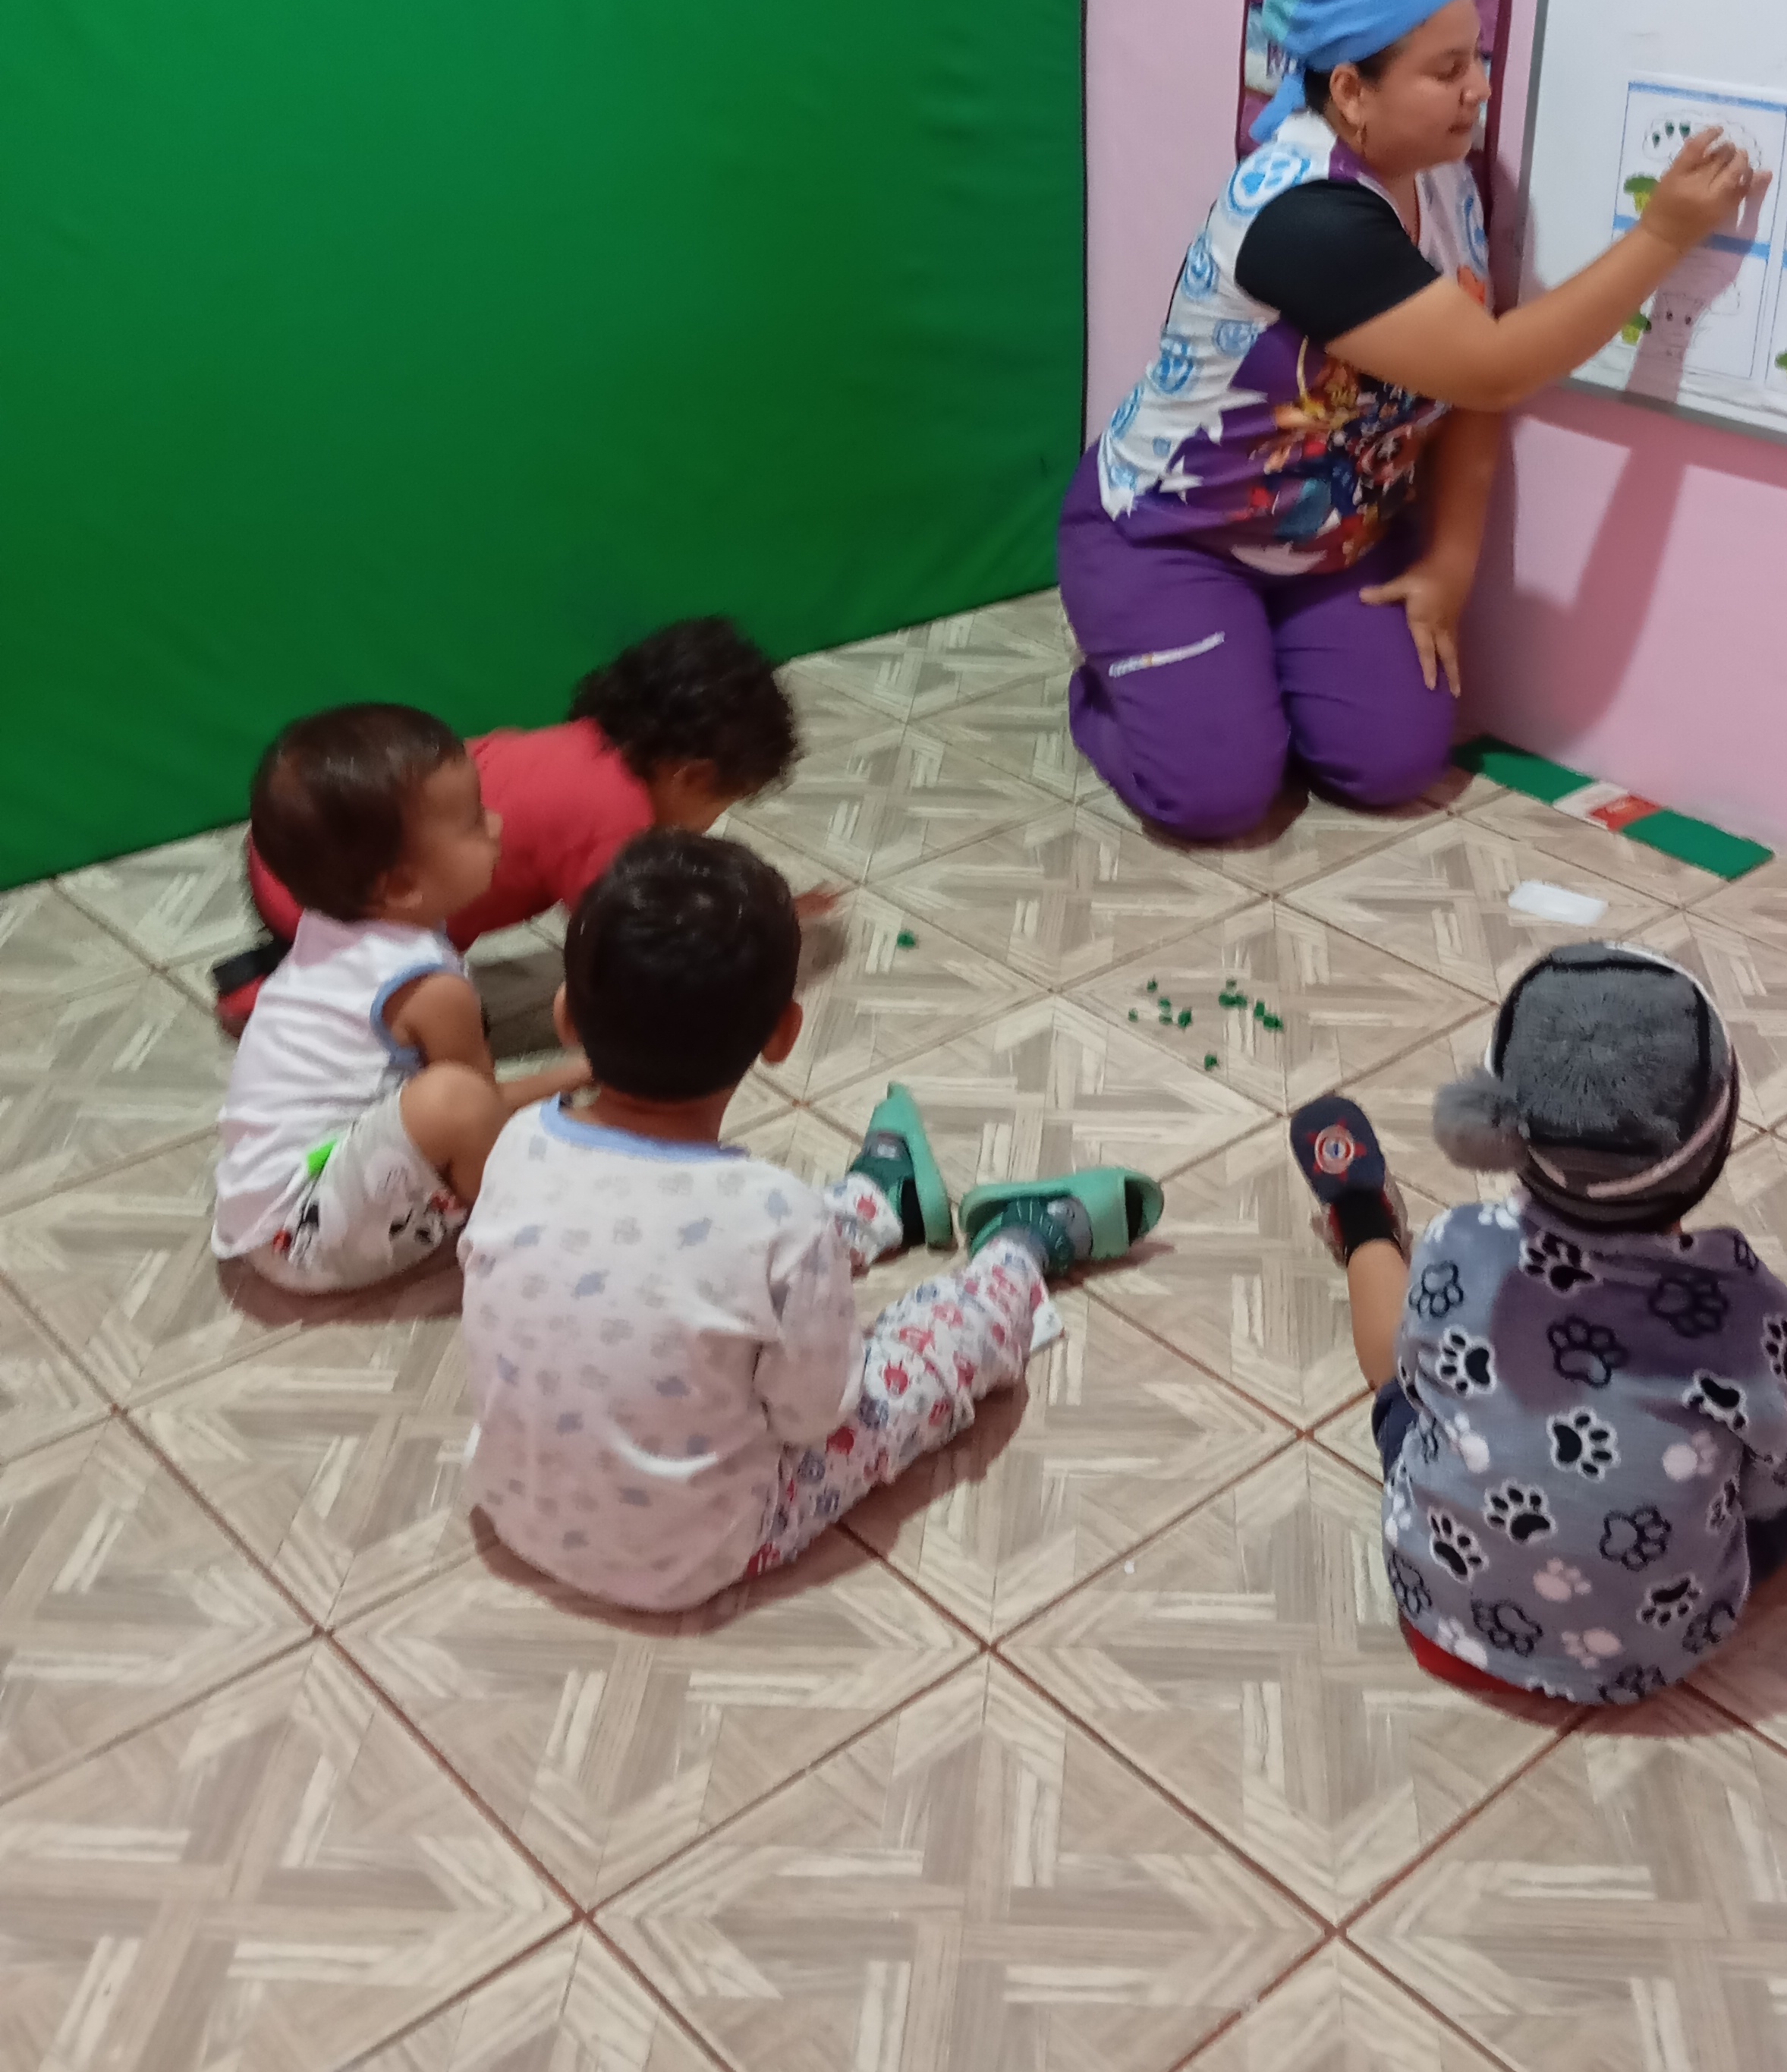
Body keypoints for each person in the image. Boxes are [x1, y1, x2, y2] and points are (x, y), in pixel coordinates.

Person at [1057, 0, 1767, 840]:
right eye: (1447, 70)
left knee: (1389, 763)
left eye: (1477, 60)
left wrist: (1449, 564)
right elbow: (1498, 363)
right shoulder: (1305, 215)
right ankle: (1116, 684)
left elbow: (1471, 393)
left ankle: (1235, 671)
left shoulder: (1445, 184)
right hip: (1171, 536)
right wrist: (1663, 236)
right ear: (1352, 91)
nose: (1479, 89)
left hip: (1329, 544)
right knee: (1217, 796)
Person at [459, 830, 1163, 1614]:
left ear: (565, 1016)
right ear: (783, 1036)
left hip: (514, 1507)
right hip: (698, 1553)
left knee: (737, 1259)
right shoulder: (773, 1215)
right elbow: (817, 1412)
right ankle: (1018, 1252)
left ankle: (878, 1204)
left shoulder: (517, 1144)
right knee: (906, 1370)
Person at [1293, 943, 1787, 1707]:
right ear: (1715, 1150)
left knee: (1396, 1385)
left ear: (1498, 1123)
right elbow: (1774, 1486)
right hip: (1647, 1657)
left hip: (1439, 1619)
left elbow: (1417, 1384)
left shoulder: (1460, 1245)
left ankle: (1360, 1218)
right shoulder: (1749, 1314)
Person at [216, 616, 810, 1030]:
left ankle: (288, 963)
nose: (716, 820)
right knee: (430, 1027)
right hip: (326, 900)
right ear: (691, 776)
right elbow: (626, 944)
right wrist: (733, 941)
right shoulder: (615, 816)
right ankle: (272, 989)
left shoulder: (585, 746)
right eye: (726, 801)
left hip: (293, 850)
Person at [214, 705, 589, 1293]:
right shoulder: (429, 988)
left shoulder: (335, 925)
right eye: (474, 821)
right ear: (401, 885)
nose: (497, 825)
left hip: (274, 1205)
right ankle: (522, 1242)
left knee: (453, 1098)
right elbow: (478, 1108)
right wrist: (583, 1073)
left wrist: (575, 1076)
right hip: (303, 1239)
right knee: (455, 1099)